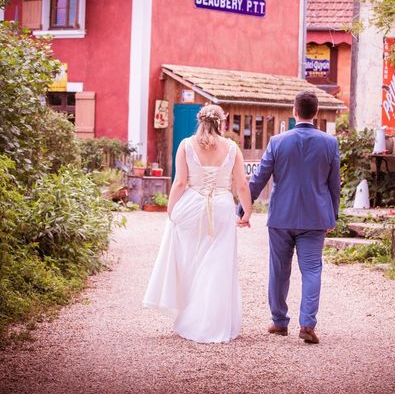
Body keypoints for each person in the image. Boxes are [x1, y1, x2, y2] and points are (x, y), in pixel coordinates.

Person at [143, 104, 253, 343]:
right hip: (222, 206)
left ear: (200, 120)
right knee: (218, 265)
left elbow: (180, 182)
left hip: (193, 205)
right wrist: (247, 213)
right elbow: (241, 184)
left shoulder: (186, 145)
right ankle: (212, 323)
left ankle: (193, 316)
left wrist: (172, 211)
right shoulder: (232, 148)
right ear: (222, 122)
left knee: (192, 262)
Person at [239, 90, 340, 344]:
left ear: (294, 112)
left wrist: (243, 207)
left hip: (281, 218)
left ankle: (279, 321)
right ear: (315, 113)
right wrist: (332, 216)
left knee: (279, 269)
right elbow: (334, 185)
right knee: (312, 269)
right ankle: (307, 324)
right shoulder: (330, 143)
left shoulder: (277, 142)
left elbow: (259, 177)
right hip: (315, 218)